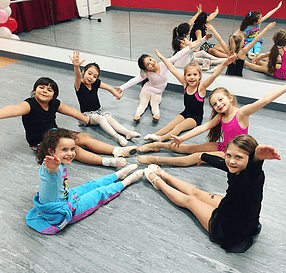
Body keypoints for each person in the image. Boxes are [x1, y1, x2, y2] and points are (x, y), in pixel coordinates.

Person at [144, 134, 281, 253]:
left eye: (238, 157)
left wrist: (258, 158)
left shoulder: (252, 176)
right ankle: (164, 175)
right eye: (229, 155)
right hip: (235, 209)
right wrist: (204, 156)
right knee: (196, 192)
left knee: (190, 200)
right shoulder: (236, 167)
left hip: (230, 228)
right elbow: (222, 163)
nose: (232, 161)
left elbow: (254, 169)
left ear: (250, 159)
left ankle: (158, 182)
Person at [26, 128, 144, 234]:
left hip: (66, 196)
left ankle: (118, 175)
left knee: (91, 185)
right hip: (59, 214)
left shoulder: (56, 162)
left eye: (73, 149)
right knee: (99, 193)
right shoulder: (52, 166)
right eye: (64, 149)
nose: (70, 153)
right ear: (51, 151)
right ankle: (127, 181)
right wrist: (54, 167)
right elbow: (52, 173)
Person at [0, 77, 138, 168]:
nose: (44, 91)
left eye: (49, 90)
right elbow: (13, 109)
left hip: (55, 134)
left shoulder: (54, 103)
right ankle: (109, 162)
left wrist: (85, 119)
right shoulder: (29, 104)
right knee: (72, 148)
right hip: (40, 142)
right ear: (34, 90)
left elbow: (70, 110)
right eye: (41, 87)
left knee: (84, 137)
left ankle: (117, 151)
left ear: (53, 95)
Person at [137, 84, 286, 166]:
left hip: (232, 151)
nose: (219, 105)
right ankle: (157, 145)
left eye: (221, 100)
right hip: (223, 145)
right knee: (189, 148)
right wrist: (182, 139)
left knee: (196, 156)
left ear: (230, 97)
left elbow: (265, 99)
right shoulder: (221, 116)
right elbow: (203, 127)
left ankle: (158, 160)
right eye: (215, 104)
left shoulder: (241, 113)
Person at [143, 50, 236, 143]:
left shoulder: (201, 88)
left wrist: (224, 64)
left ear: (200, 76)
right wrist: (162, 57)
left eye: (195, 74)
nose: (192, 77)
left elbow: (214, 75)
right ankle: (154, 135)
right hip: (185, 113)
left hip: (195, 118)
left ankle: (160, 139)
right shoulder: (185, 84)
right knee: (171, 125)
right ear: (185, 77)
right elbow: (172, 69)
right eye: (189, 75)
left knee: (178, 127)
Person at [115, 34, 212, 123]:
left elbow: (180, 54)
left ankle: (156, 116)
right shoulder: (147, 74)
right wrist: (122, 87)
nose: (151, 63)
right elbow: (134, 80)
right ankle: (137, 115)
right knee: (143, 103)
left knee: (155, 104)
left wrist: (204, 39)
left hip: (158, 92)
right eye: (148, 64)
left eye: (150, 60)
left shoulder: (164, 64)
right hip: (147, 89)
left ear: (152, 57)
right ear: (147, 69)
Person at [69, 51, 141, 147]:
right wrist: (76, 66)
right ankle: (118, 137)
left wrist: (118, 95)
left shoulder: (95, 83)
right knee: (101, 118)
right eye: (89, 73)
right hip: (87, 116)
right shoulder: (79, 86)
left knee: (109, 118)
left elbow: (109, 88)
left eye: (95, 76)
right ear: (83, 72)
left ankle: (127, 132)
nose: (91, 78)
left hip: (99, 111)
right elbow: (77, 76)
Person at [206, 22, 276, 76]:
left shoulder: (229, 51)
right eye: (243, 40)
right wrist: (266, 28)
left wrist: (212, 29)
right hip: (238, 77)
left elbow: (219, 39)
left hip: (228, 75)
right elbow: (256, 39)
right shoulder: (242, 52)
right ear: (240, 43)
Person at [172, 4, 226, 70]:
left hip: (196, 48)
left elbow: (191, 22)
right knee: (212, 51)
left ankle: (227, 56)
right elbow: (199, 41)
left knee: (218, 47)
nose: (190, 29)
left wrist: (215, 12)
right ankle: (224, 59)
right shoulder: (186, 44)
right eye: (189, 30)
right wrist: (205, 38)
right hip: (197, 47)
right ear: (182, 42)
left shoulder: (183, 37)